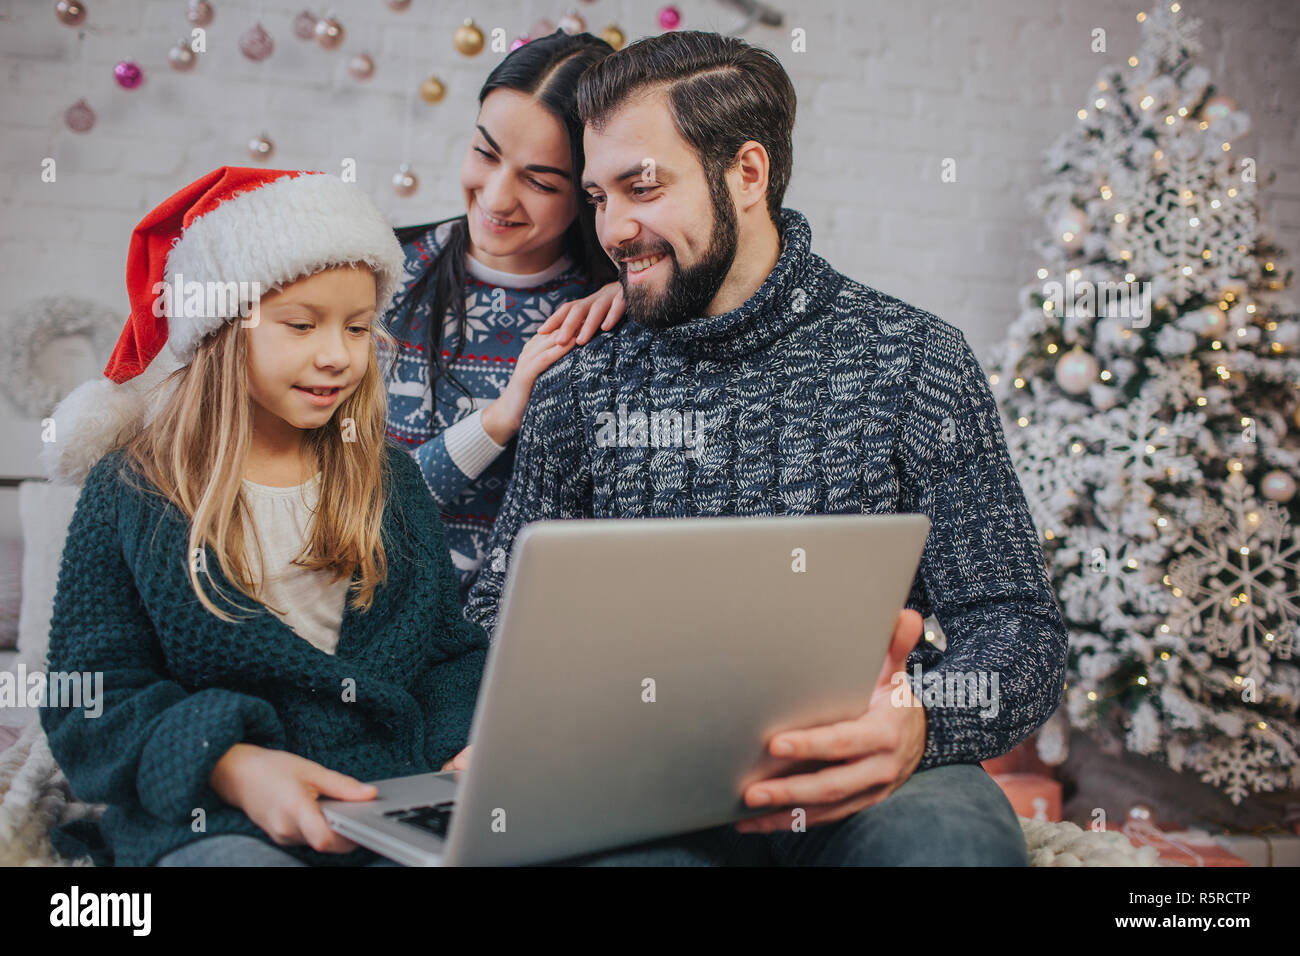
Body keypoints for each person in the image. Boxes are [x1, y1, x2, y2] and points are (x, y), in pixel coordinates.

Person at [463, 31, 1069, 866]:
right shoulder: (580, 384)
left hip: (863, 777)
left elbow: (1016, 625)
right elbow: (495, 606)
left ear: (746, 173)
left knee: (947, 845)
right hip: (635, 783)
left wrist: (923, 721)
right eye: (599, 196)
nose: (614, 229)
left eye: (642, 187)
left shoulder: (913, 359)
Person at [38, 166, 486, 867]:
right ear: (219, 331)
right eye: (300, 325)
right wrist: (234, 766)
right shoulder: (133, 487)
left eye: (359, 327)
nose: (337, 356)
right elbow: (89, 698)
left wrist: (470, 746)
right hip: (211, 819)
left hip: (384, 805)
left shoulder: (389, 482)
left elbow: (448, 658)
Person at [385, 30, 627, 604]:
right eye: (484, 154)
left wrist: (638, 290)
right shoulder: (382, 275)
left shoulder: (606, 316)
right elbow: (347, 505)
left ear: (591, 192)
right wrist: (498, 420)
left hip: (517, 642)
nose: (495, 199)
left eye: (540, 181)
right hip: (366, 611)